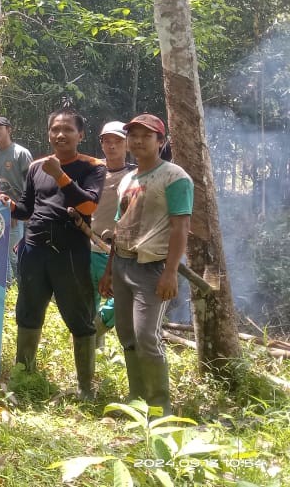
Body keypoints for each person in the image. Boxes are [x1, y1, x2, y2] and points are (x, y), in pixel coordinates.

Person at [0, 108, 106, 400]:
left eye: (68, 129)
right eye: (55, 129)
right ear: (49, 133)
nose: (61, 134)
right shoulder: (36, 167)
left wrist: (60, 176)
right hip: (34, 249)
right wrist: (10, 206)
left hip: (70, 252)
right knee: (28, 313)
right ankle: (23, 378)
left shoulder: (93, 167)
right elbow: (28, 208)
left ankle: (85, 388)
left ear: (81, 135)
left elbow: (88, 207)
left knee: (80, 317)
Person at [99, 114, 192, 415]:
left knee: (146, 337)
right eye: (133, 135)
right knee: (127, 335)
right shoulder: (128, 179)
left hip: (153, 268)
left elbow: (180, 228)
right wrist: (109, 270)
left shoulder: (174, 177)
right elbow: (119, 226)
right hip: (124, 264)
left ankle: (160, 409)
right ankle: (136, 402)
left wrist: (170, 272)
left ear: (161, 142)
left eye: (146, 136)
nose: (137, 141)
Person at [90, 121, 136, 346]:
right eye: (106, 140)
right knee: (88, 300)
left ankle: (97, 330)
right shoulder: (92, 170)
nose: (111, 146)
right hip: (88, 245)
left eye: (117, 141)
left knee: (121, 300)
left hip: (115, 250)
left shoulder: (135, 175)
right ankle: (90, 351)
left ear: (127, 144)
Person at [0, 116, 33, 276]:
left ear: (9, 130)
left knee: (14, 255)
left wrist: (18, 211)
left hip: (14, 214)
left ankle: (23, 293)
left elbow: (31, 186)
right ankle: (4, 292)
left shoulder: (21, 153)